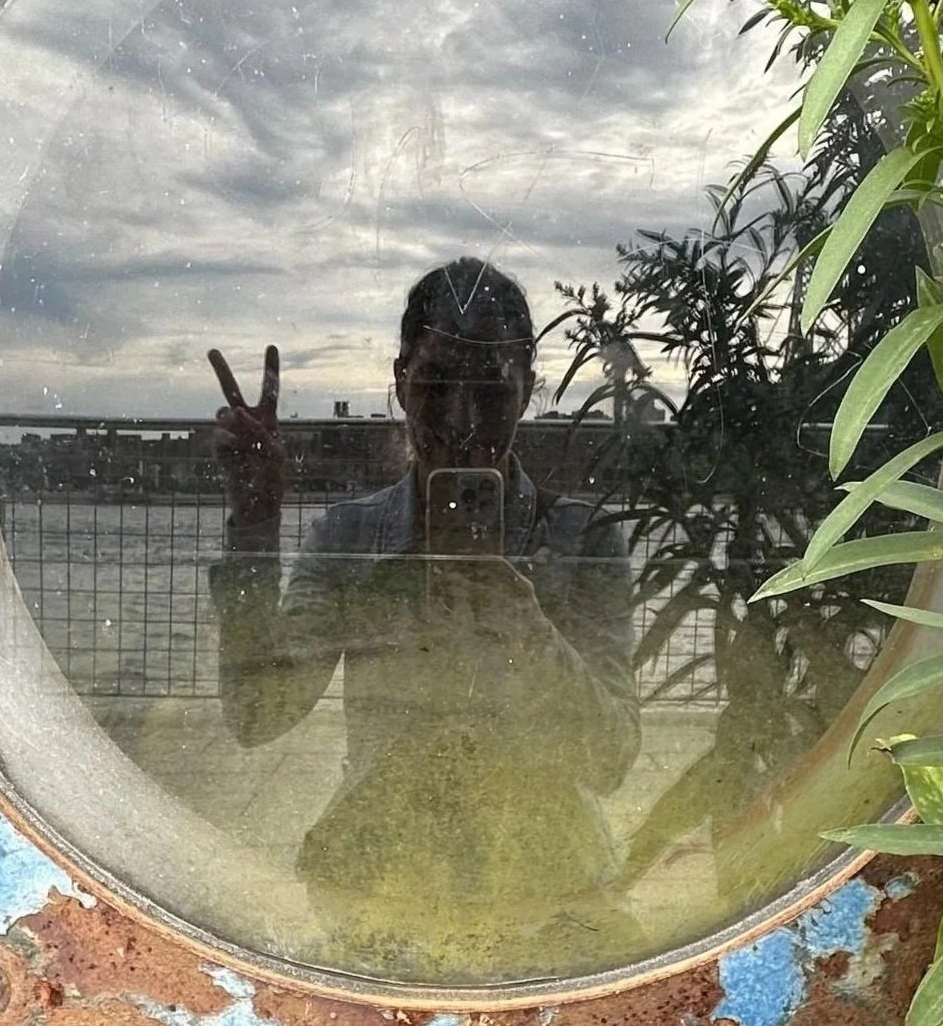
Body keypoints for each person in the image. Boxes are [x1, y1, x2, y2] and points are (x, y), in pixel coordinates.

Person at [206, 257, 639, 937]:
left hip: (502, 886)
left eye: (490, 389)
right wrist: (255, 522)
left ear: (527, 391)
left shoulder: (582, 538)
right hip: (445, 878)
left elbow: (610, 757)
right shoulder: (349, 537)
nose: (462, 419)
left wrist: (525, 630)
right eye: (438, 385)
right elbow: (257, 715)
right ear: (401, 383)